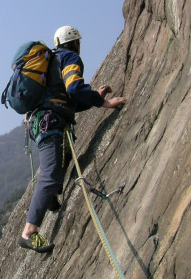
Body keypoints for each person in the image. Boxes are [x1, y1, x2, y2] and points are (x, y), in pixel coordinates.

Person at [18, 25, 127, 253]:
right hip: (50, 123)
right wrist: (104, 103)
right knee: (49, 174)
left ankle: (49, 198)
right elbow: (75, 89)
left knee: (58, 164)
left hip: (42, 122)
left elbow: (70, 101)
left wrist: (95, 97)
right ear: (75, 43)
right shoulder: (69, 58)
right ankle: (29, 231)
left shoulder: (51, 63)